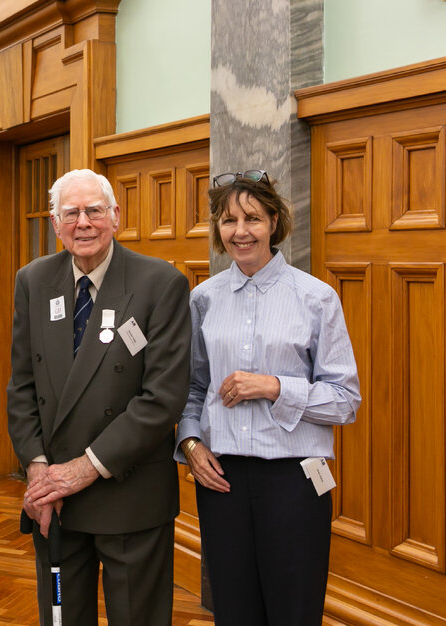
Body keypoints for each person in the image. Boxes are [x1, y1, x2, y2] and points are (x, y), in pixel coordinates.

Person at [7, 168, 192, 625]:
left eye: (94, 210)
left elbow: (161, 398)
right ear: (55, 223)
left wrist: (84, 469)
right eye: (71, 213)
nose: (83, 222)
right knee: (61, 617)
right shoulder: (33, 280)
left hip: (128, 493)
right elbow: (23, 385)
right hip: (56, 501)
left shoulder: (159, 283)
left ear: (116, 216)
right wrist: (38, 471)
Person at [176, 169, 360, 625]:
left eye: (253, 218)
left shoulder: (316, 298)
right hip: (222, 482)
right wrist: (190, 444)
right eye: (228, 220)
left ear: (274, 221)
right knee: (233, 612)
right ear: (218, 229)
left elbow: (345, 400)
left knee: (294, 612)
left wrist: (274, 387)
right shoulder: (203, 299)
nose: (241, 232)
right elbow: (192, 388)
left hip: (295, 482)